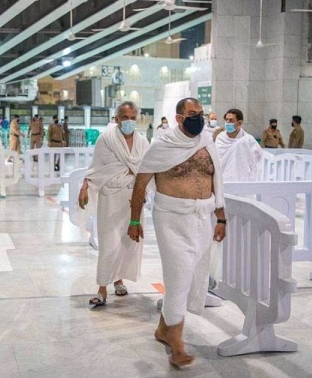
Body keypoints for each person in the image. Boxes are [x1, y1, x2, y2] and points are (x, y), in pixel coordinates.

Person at [128, 97, 226, 367]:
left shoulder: (207, 142)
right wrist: (134, 221)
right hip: (171, 219)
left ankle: (163, 329)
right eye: (192, 114)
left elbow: (217, 180)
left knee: (192, 275)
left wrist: (221, 218)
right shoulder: (163, 146)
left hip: (203, 218)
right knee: (180, 274)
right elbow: (140, 183)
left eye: (201, 113)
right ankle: (177, 344)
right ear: (179, 118)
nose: (199, 118)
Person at [78, 101, 149, 307]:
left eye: (132, 117)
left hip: (133, 197)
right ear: (116, 118)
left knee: (128, 242)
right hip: (111, 197)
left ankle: (119, 280)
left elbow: (145, 168)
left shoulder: (143, 142)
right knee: (109, 243)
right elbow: (97, 168)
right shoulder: (106, 139)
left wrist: (138, 183)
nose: (128, 121)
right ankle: (102, 288)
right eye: (124, 117)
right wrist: (85, 186)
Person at [215, 108, 263, 182]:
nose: (227, 122)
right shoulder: (220, 138)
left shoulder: (248, 140)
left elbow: (259, 156)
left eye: (231, 120)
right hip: (222, 178)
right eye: (226, 119)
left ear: (239, 123)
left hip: (241, 179)